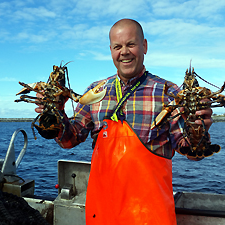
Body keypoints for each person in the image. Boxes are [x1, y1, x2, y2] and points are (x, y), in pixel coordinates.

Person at [35, 18, 213, 225]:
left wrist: (199, 129)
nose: (124, 52)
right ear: (111, 50)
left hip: (151, 216)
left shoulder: (170, 93)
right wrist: (55, 113)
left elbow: (190, 151)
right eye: (117, 46)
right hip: (102, 214)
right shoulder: (96, 91)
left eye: (131, 44)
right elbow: (69, 139)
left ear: (144, 46)